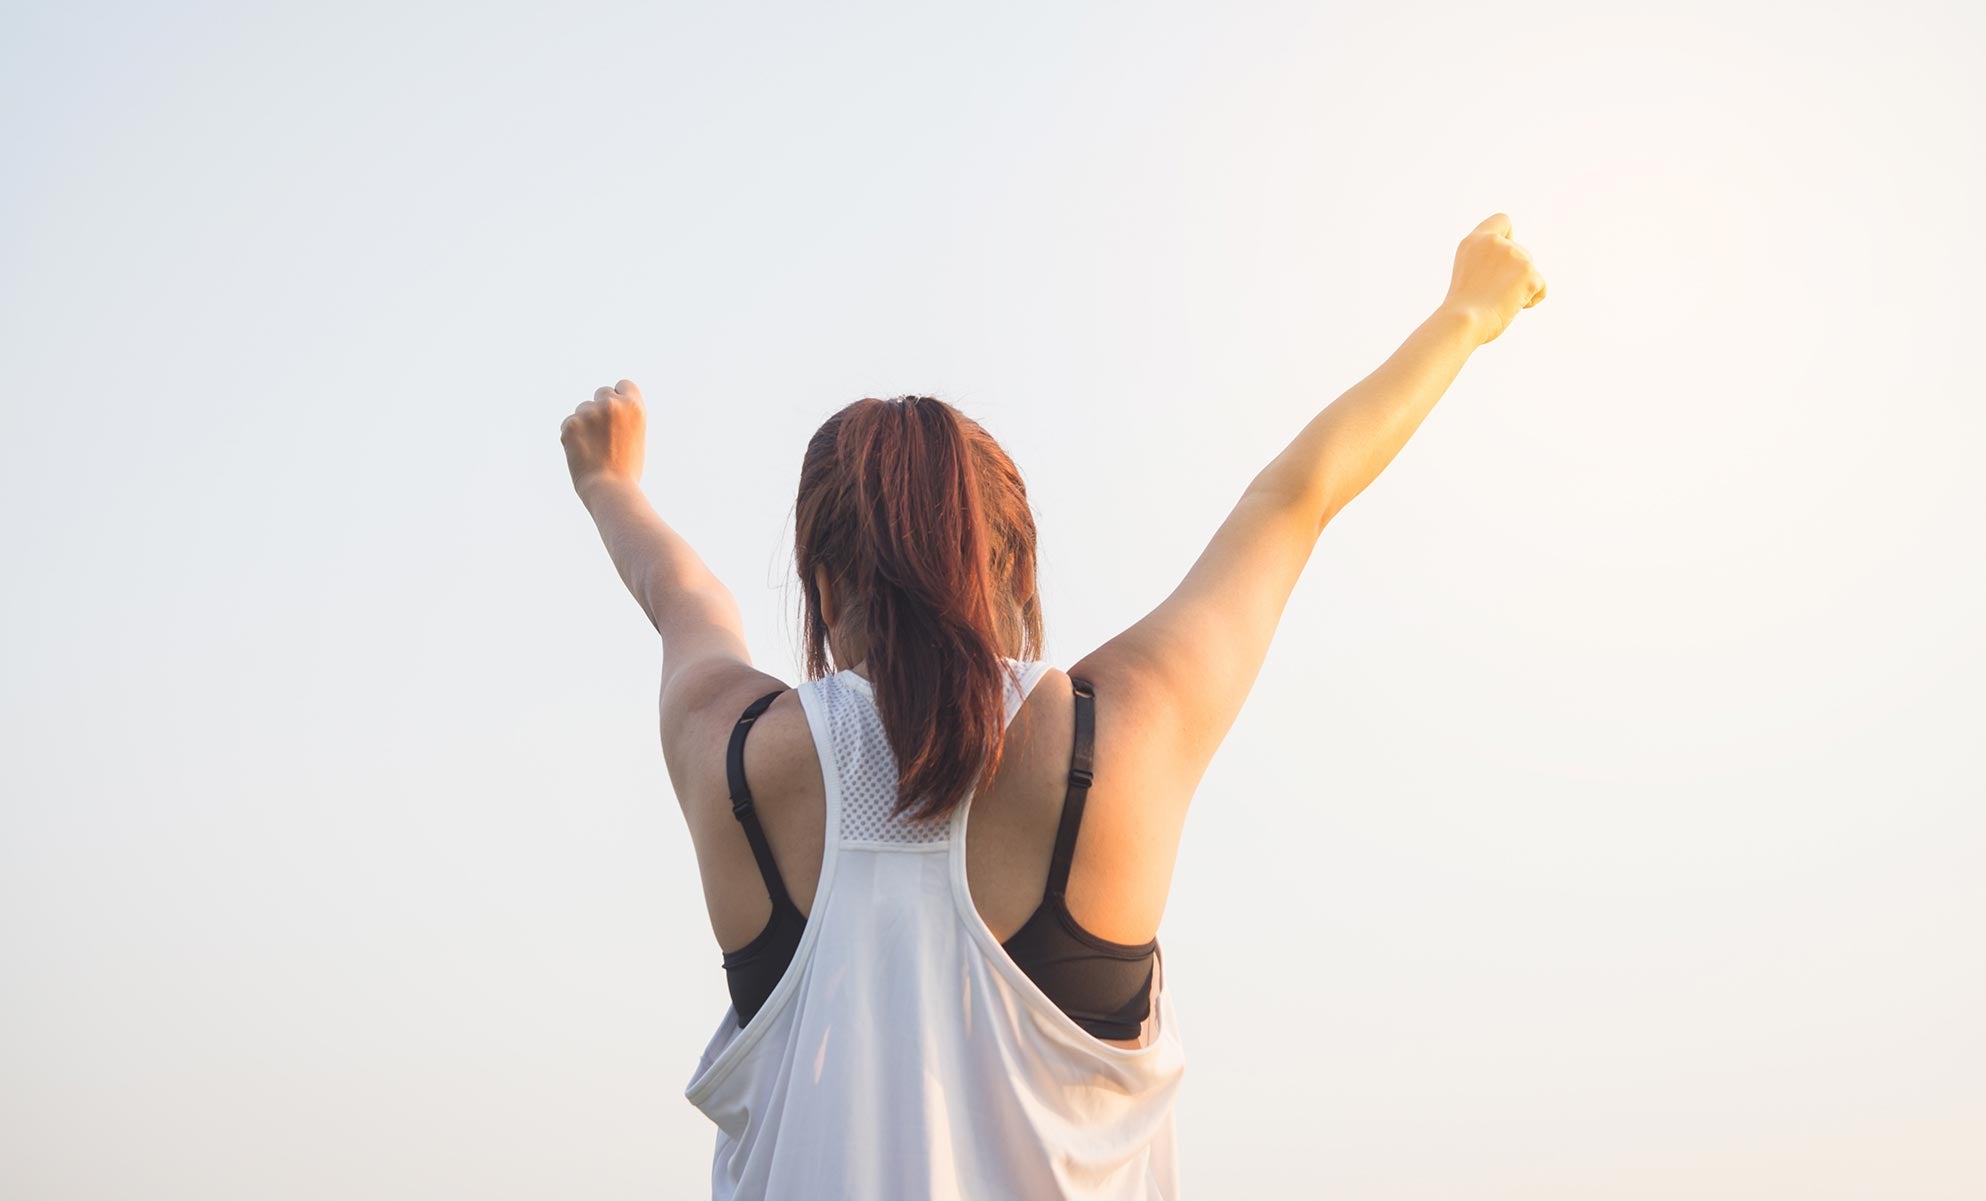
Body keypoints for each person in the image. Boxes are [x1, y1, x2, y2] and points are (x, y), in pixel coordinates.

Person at [558, 212, 1547, 1200]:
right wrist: (1465, 313)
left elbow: (683, 596)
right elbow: (1294, 498)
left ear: (819, 585)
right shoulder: (1119, 738)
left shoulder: (733, 758)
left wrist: (609, 481)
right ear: (1019, 567)